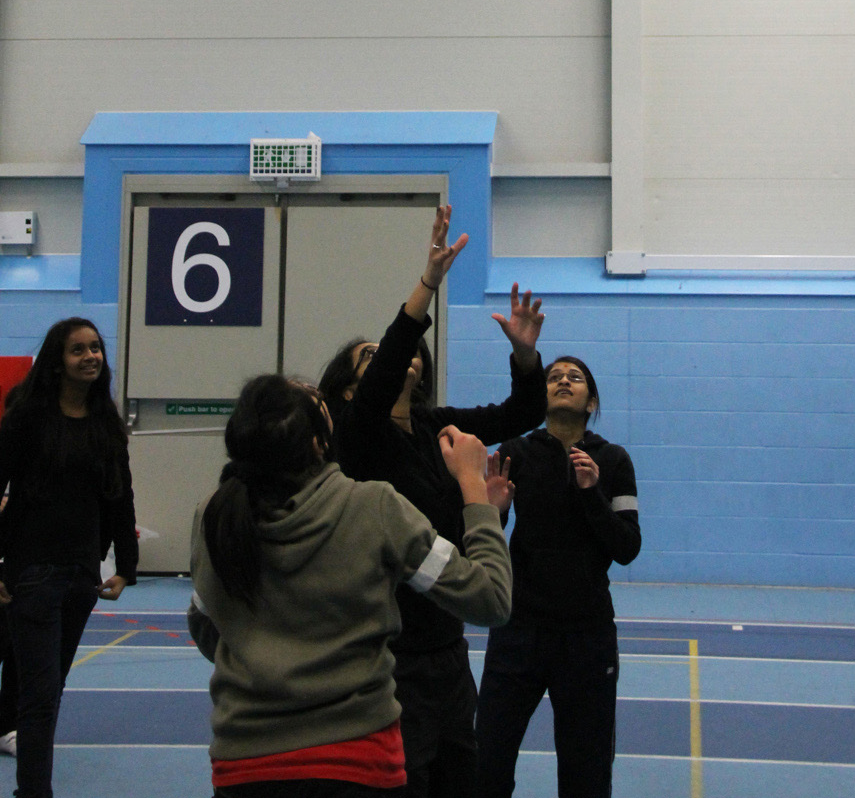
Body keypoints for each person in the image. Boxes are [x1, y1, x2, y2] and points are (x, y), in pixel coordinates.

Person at [188, 372, 512, 795]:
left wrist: (265, 658)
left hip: (245, 764)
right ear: (320, 442)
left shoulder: (213, 515)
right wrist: (473, 488)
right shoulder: (375, 508)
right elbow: (489, 599)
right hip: (357, 763)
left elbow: (206, 623)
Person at [318, 205, 546, 798]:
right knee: (405, 780)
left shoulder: (436, 426)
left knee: (458, 776)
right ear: (349, 389)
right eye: (369, 358)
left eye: (394, 354)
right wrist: (429, 283)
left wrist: (524, 356)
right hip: (389, 652)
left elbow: (520, 414)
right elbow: (395, 350)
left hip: (446, 643)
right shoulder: (358, 435)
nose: (396, 358)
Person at [473, 355, 641, 798]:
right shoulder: (515, 452)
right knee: (486, 763)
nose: (564, 381)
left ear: (591, 402)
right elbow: (485, 537)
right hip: (519, 631)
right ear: (541, 397)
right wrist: (495, 508)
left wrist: (591, 495)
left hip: (586, 637)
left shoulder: (614, 460)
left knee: (586, 776)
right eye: (553, 377)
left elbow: (627, 548)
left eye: (576, 377)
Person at [0, 317, 137, 798]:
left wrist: (126, 567)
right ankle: (33, 793)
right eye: (78, 350)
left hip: (82, 575)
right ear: (58, 362)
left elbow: (120, 498)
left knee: (50, 691)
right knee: (38, 697)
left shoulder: (105, 423)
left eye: (96, 348)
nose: (90, 357)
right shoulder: (27, 419)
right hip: (31, 572)